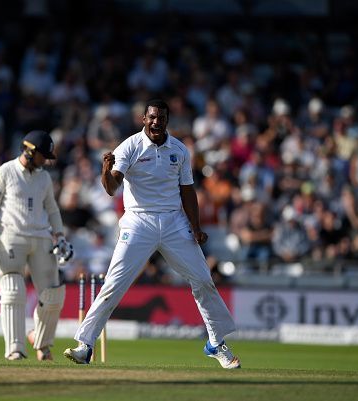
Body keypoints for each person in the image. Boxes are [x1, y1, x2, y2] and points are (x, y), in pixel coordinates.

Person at [63, 99, 240, 369]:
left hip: (173, 221)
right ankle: (85, 345)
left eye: (162, 118)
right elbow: (112, 188)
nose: (157, 122)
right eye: (152, 117)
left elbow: (187, 190)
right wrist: (105, 170)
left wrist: (196, 226)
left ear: (167, 121)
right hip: (138, 220)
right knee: (114, 283)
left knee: (203, 279)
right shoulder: (130, 146)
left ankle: (215, 343)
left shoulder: (179, 150)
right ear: (144, 119)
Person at [0, 130, 73, 361]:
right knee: (12, 291)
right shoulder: (4, 172)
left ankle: (41, 343)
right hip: (10, 237)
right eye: (43, 155)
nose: (46, 160)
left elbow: (52, 209)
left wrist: (60, 236)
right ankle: (15, 348)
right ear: (30, 151)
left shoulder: (44, 178)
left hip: (41, 238)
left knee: (53, 296)